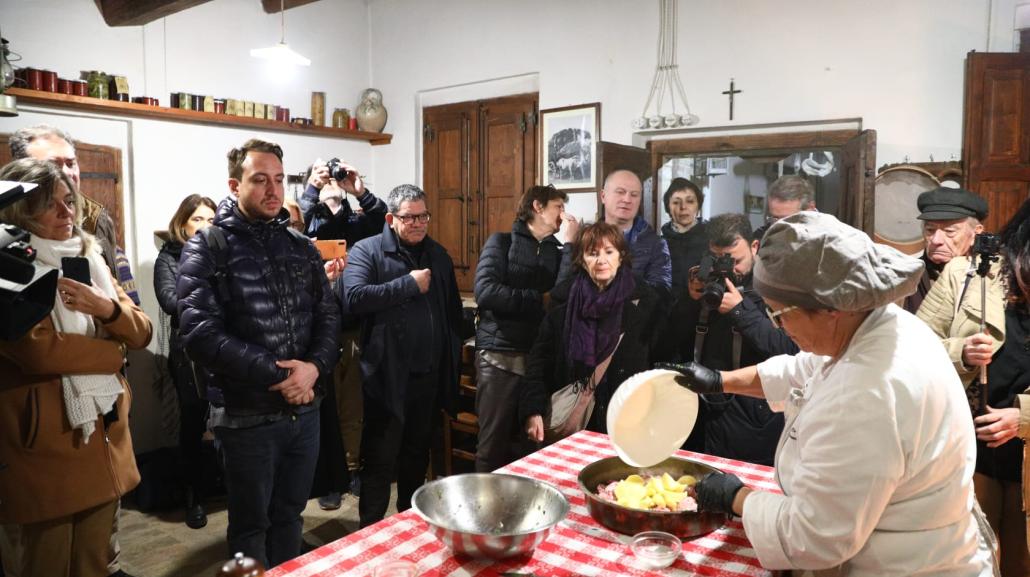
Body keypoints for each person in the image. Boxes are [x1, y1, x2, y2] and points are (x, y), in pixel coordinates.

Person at [665, 211, 995, 576]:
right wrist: (719, 379)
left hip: (903, 565)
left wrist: (735, 497)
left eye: (779, 315)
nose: (779, 327)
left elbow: (815, 538)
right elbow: (803, 369)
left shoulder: (867, 394)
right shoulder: (879, 324)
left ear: (831, 309)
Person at [176, 139, 341, 568]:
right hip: (247, 416)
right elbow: (199, 333)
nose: (273, 190)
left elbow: (328, 318)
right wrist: (280, 374)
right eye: (260, 180)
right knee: (250, 527)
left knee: (290, 516)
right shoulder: (207, 246)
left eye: (279, 179)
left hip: (303, 413)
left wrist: (314, 369)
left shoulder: (301, 246)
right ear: (235, 185)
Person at [0, 158, 152, 577]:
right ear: (21, 212)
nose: (67, 214)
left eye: (70, 202)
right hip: (45, 443)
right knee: (43, 563)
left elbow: (141, 332)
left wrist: (105, 308)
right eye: (51, 205)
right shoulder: (8, 264)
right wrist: (113, 355)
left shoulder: (91, 256)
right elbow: (37, 351)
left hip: (102, 434)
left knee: (94, 562)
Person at [917, 199, 1030, 576]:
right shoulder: (967, 273)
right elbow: (912, 346)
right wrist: (960, 352)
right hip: (968, 445)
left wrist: (1024, 417)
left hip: (1024, 455)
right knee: (967, 558)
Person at [343, 184, 463, 528]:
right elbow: (353, 298)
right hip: (385, 377)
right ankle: (370, 529)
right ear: (390, 218)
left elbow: (452, 313)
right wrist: (407, 285)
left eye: (423, 215)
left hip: (427, 376)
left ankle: (410, 524)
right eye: (409, 217)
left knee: (416, 456)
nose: (418, 223)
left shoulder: (438, 255)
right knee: (380, 460)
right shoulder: (368, 251)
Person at [658, 214, 798, 466]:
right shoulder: (705, 281)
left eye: (736, 260)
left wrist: (740, 311)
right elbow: (671, 342)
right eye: (719, 259)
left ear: (755, 247)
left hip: (752, 419)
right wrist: (689, 302)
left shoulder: (776, 287)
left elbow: (789, 352)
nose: (729, 269)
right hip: (700, 412)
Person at [519, 221, 664, 441]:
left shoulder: (646, 305)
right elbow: (539, 364)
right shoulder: (562, 306)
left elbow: (661, 362)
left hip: (628, 421)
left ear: (621, 256)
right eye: (592, 253)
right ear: (582, 260)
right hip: (577, 422)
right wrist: (533, 410)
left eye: (609, 251)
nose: (601, 260)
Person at [298, 158, 387, 508]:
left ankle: (349, 468)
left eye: (335, 177)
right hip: (316, 330)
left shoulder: (358, 220)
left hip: (353, 326)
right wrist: (312, 190)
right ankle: (327, 477)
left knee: (352, 404)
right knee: (324, 407)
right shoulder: (306, 221)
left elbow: (383, 222)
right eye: (324, 177)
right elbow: (289, 225)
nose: (332, 182)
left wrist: (359, 190)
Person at [473, 184, 572, 471]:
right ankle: (484, 511)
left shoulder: (558, 250)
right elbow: (486, 292)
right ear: (538, 207)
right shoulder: (501, 242)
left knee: (533, 447)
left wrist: (570, 247)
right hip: (499, 355)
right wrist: (538, 299)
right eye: (558, 207)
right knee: (493, 445)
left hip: (538, 361)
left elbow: (561, 296)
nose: (563, 214)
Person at [10, 124, 140, 306]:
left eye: (71, 163)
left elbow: (122, 300)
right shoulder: (8, 226)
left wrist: (111, 314)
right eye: (51, 165)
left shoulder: (96, 218)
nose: (67, 173)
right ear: (24, 171)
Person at [153, 194, 217, 530]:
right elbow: (169, 301)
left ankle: (229, 489)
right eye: (198, 219)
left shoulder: (225, 253)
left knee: (227, 424)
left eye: (210, 219)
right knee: (192, 423)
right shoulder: (169, 256)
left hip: (223, 348)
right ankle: (194, 496)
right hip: (189, 353)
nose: (205, 226)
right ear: (183, 223)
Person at [557, 168, 671, 295]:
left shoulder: (656, 244)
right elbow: (562, 293)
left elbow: (661, 295)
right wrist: (570, 245)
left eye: (634, 195)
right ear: (603, 196)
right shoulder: (585, 238)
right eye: (620, 192)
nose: (627, 200)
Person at [903, 186, 988, 313]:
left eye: (949, 231)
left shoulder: (991, 276)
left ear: (976, 233)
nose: (936, 240)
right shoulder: (908, 276)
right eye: (930, 230)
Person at [660, 177, 708, 294]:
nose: (683, 207)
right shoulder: (658, 245)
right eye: (676, 202)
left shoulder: (712, 242)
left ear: (698, 206)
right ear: (668, 208)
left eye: (690, 201)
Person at [751, 175, 816, 244]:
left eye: (787, 220)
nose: (779, 228)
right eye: (774, 218)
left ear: (810, 209)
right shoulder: (760, 237)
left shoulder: (826, 238)